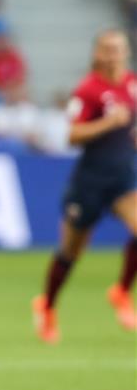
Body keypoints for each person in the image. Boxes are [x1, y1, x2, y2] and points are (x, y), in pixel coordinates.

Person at [32, 29, 137, 343]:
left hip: (122, 178)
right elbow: (72, 135)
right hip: (89, 181)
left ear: (127, 52)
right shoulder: (87, 90)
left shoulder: (132, 85)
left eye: (118, 49)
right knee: (71, 252)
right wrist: (109, 122)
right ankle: (47, 305)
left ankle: (121, 291)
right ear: (97, 54)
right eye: (107, 49)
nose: (113, 55)